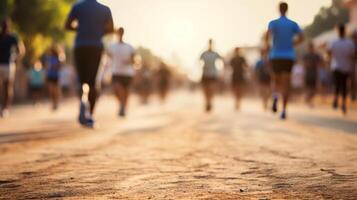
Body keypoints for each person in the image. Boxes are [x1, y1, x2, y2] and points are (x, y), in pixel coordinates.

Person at [65, 0, 114, 127]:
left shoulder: (78, 6)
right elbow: (110, 29)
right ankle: (90, 115)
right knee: (92, 82)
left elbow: (67, 25)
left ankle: (82, 103)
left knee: (82, 80)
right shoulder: (105, 9)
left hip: (80, 46)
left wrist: (81, 28)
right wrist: (98, 31)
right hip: (96, 47)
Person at [265, 2, 304, 120]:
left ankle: (275, 96)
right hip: (288, 56)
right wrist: (293, 44)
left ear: (279, 9)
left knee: (275, 80)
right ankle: (284, 110)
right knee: (286, 83)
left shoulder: (273, 23)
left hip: (276, 55)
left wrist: (269, 47)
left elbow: (267, 36)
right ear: (287, 10)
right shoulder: (293, 24)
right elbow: (302, 37)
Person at [107, 27, 136, 117]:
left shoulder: (129, 47)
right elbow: (109, 57)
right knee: (117, 89)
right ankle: (122, 104)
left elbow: (134, 60)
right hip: (116, 71)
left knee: (126, 91)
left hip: (127, 73)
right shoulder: (112, 46)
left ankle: (123, 107)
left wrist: (130, 61)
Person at [328, 24, 355, 115]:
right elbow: (353, 55)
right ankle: (343, 103)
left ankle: (335, 98)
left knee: (337, 84)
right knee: (344, 86)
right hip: (347, 67)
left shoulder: (334, 42)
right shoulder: (350, 43)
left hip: (336, 66)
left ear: (338, 31)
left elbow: (329, 53)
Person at [0, 18, 25, 117]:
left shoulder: (13, 37)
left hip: (8, 64)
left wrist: (16, 59)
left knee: (7, 86)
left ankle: (5, 108)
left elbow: (21, 49)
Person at [200, 39, 222, 112]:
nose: (210, 45)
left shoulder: (215, 53)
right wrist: (202, 66)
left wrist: (220, 70)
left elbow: (222, 60)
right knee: (206, 90)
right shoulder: (204, 53)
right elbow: (199, 61)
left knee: (211, 89)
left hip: (213, 74)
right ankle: (207, 101)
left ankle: (210, 102)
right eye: (209, 43)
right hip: (205, 73)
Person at [302, 42, 323, 107]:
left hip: (313, 73)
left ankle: (307, 99)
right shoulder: (306, 55)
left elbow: (319, 65)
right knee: (309, 88)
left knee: (314, 89)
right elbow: (304, 65)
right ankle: (308, 100)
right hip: (309, 73)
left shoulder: (316, 55)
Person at [44, 46, 65, 111]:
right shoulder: (48, 57)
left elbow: (61, 65)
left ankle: (56, 103)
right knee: (51, 90)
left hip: (56, 75)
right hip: (50, 75)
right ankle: (53, 103)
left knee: (55, 90)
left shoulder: (58, 57)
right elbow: (46, 66)